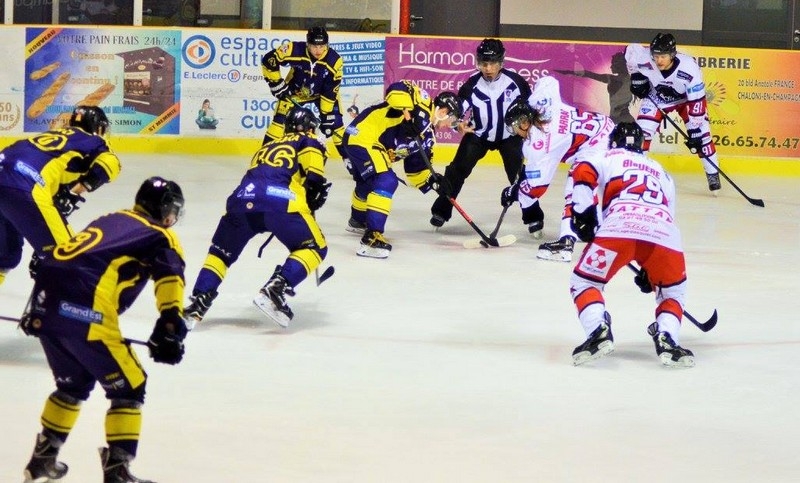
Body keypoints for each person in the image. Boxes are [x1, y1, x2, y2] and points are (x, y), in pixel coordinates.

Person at [19, 176, 189, 483]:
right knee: (130, 385)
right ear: (164, 210)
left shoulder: (112, 219)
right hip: (85, 309)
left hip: (45, 303)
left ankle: (42, 459)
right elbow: (169, 277)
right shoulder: (159, 235)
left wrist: (39, 309)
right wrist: (170, 322)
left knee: (72, 384)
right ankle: (118, 471)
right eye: (173, 209)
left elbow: (64, 258)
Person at [184, 106, 330, 329]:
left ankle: (198, 302)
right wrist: (314, 195)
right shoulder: (309, 141)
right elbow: (315, 179)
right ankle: (277, 288)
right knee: (315, 247)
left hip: (240, 200)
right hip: (280, 201)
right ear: (309, 127)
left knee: (220, 254)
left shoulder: (268, 145)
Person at [568, 122, 694, 368]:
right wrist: (651, 269)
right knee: (672, 293)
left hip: (618, 229)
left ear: (612, 142)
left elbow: (582, 171)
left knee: (585, 282)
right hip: (664, 236)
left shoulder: (607, 156)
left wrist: (583, 214)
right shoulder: (662, 172)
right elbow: (668, 214)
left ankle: (598, 331)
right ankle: (668, 338)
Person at [0, 105, 121, 287]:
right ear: (99, 127)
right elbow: (111, 166)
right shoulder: (94, 141)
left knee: (5, 255)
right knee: (69, 256)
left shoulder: (50, 137)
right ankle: (54, 312)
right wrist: (74, 192)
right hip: (25, 185)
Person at [341, 81, 461, 259]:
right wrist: (408, 113)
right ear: (444, 112)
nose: (450, 126)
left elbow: (416, 171)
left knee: (368, 184)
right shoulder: (422, 102)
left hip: (372, 145)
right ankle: (372, 237)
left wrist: (434, 182)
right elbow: (395, 90)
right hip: (363, 134)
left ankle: (358, 219)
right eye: (452, 121)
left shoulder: (427, 138)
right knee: (386, 180)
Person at [500, 75, 614, 262]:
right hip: (605, 128)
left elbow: (537, 188)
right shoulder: (541, 103)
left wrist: (516, 192)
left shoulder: (540, 144)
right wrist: (531, 100)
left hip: (598, 145)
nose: (514, 132)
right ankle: (595, 227)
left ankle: (567, 241)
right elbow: (548, 81)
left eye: (515, 127)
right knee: (583, 187)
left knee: (576, 186)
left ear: (525, 122)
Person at [429, 38, 532, 228]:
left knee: (519, 176)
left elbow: (529, 107)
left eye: (493, 63)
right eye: (484, 63)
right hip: (478, 135)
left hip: (509, 137)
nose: (488, 68)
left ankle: (533, 217)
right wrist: (457, 125)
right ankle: (441, 212)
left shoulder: (516, 82)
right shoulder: (471, 85)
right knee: (456, 171)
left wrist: (527, 125)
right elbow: (457, 111)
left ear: (501, 62)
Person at [625, 32, 721, 192]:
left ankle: (712, 174)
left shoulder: (689, 67)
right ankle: (637, 174)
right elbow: (630, 51)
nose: (658, 60)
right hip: (658, 98)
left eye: (663, 56)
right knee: (641, 134)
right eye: (656, 56)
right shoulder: (643, 58)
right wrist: (636, 77)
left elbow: (697, 100)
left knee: (702, 137)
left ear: (672, 54)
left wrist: (695, 130)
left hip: (686, 101)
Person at [261, 26, 347, 160]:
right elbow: (269, 60)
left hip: (322, 95)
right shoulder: (294, 50)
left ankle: (351, 161)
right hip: (295, 92)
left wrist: (326, 115)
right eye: (314, 46)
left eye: (322, 46)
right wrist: (276, 83)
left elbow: (330, 90)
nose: (318, 50)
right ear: (307, 44)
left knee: (336, 125)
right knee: (279, 122)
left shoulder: (335, 61)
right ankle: (264, 158)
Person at [554, 51, 635, 124]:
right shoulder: (612, 79)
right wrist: (570, 72)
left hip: (623, 119)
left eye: (613, 64)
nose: (611, 67)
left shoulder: (626, 80)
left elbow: (590, 75)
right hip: (614, 118)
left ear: (619, 65)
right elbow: (591, 74)